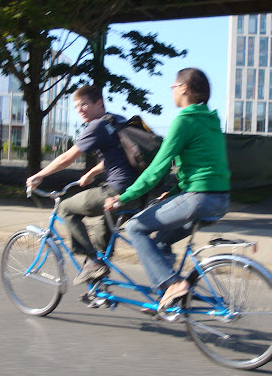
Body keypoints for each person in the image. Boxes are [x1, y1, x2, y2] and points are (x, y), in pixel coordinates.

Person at [105, 68, 231, 311]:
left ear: (184, 88)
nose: (171, 90)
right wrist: (172, 195)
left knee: (135, 228)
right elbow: (200, 168)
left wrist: (123, 198)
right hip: (220, 199)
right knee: (161, 241)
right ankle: (166, 299)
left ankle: (173, 284)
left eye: (174, 86)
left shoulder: (184, 121)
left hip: (199, 199)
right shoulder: (210, 120)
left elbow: (156, 170)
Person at [26, 85, 140, 285]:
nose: (80, 110)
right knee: (101, 236)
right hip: (137, 192)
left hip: (116, 191)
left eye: (84, 104)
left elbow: (68, 157)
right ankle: (98, 287)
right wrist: (92, 172)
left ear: (99, 103)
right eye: (77, 106)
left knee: (65, 208)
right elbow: (119, 156)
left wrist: (40, 175)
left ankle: (94, 263)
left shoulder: (96, 127)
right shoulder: (118, 121)